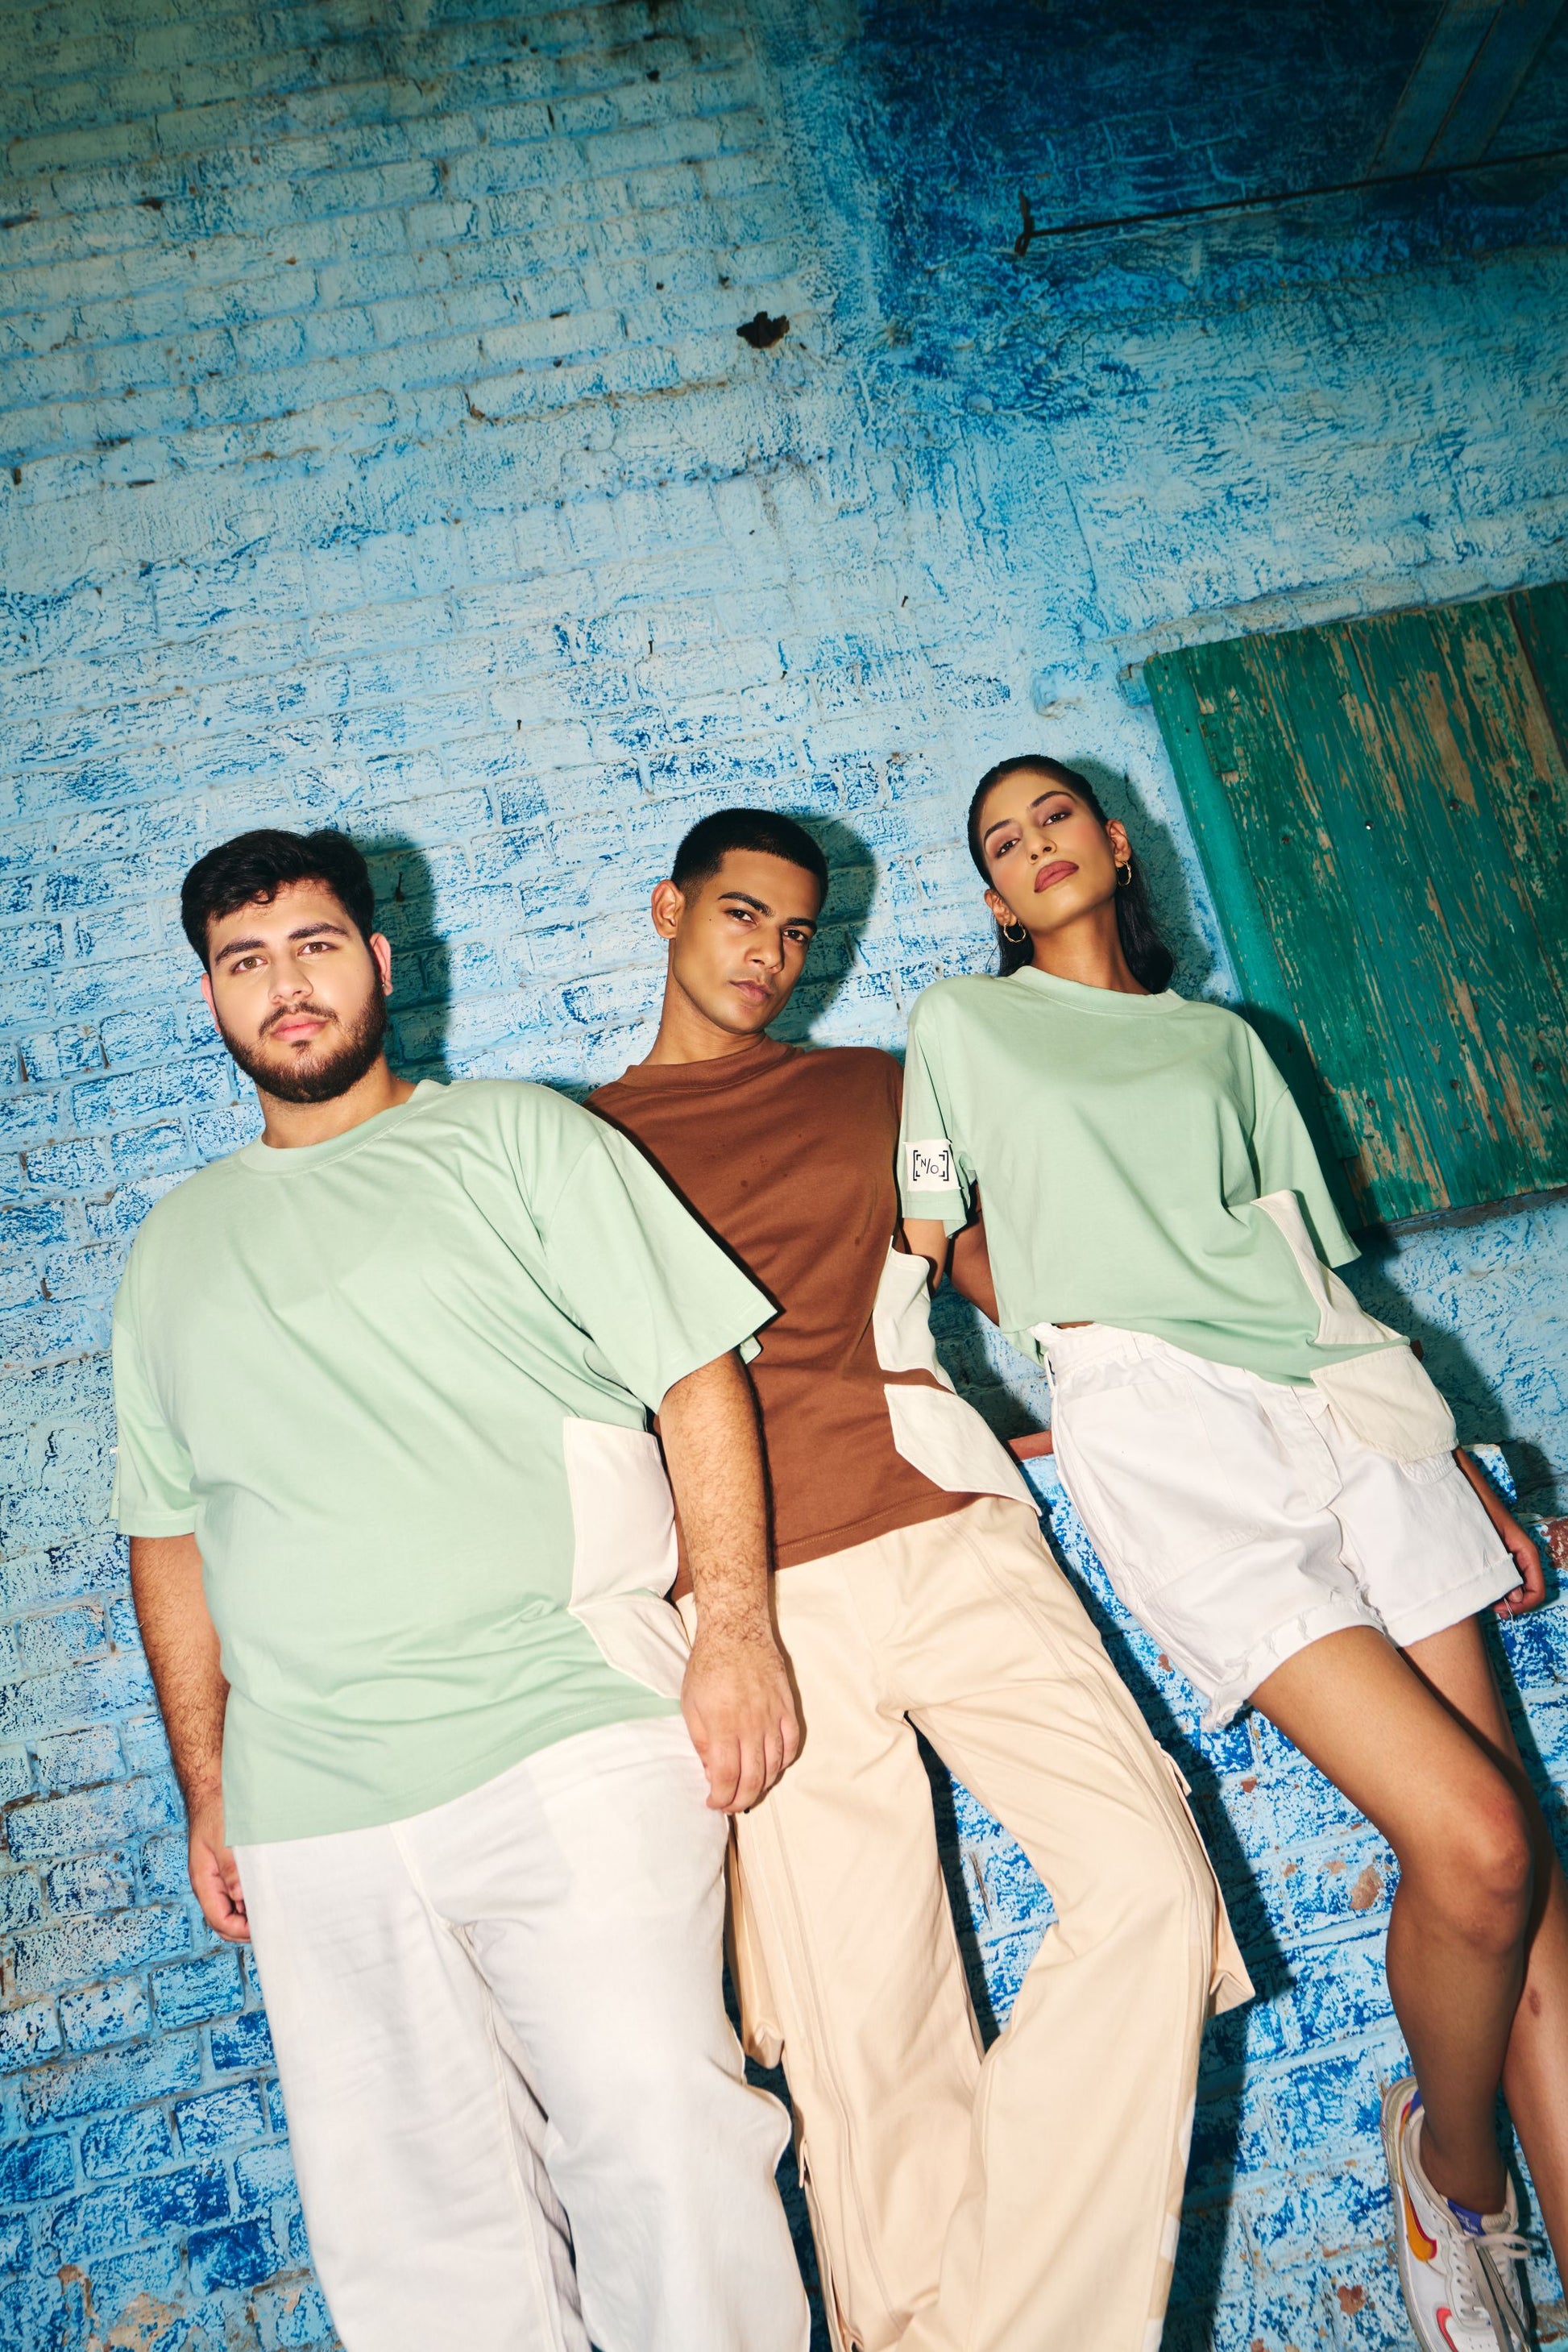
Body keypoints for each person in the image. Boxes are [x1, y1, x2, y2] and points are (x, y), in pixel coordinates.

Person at [898, 753, 1568, 2352]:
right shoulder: (963, 1026)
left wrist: (1451, 1462)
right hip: (1161, 1426)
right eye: (1002, 840)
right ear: (995, 898)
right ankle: (1454, 2178)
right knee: (1476, 1844)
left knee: (1529, 1889)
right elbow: (930, 1234)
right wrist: (1070, 1333)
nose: (1035, 843)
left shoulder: (1225, 1042)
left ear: (1115, 843)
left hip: (1349, 1404)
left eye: (1055, 815)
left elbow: (1319, 1279)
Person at [112, 827, 810, 2352]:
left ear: (377, 960)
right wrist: (210, 1787)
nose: (285, 986)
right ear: (212, 998)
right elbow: (167, 1537)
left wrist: (736, 1631)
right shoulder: (172, 1249)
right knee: (414, 2244)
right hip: (312, 1806)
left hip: (562, 1728)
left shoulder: (516, 1135)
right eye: (244, 962)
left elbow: (695, 1375)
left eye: (313, 947)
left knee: (663, 2150)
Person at [589, 807, 1251, 2352]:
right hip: (750, 1610)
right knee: (864, 2037)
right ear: (669, 912)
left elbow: (987, 1248)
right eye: (741, 916)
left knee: (1152, 1890)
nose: (769, 955)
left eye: (796, 932)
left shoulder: (882, 1093)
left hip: (950, 1530)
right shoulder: (580, 1143)